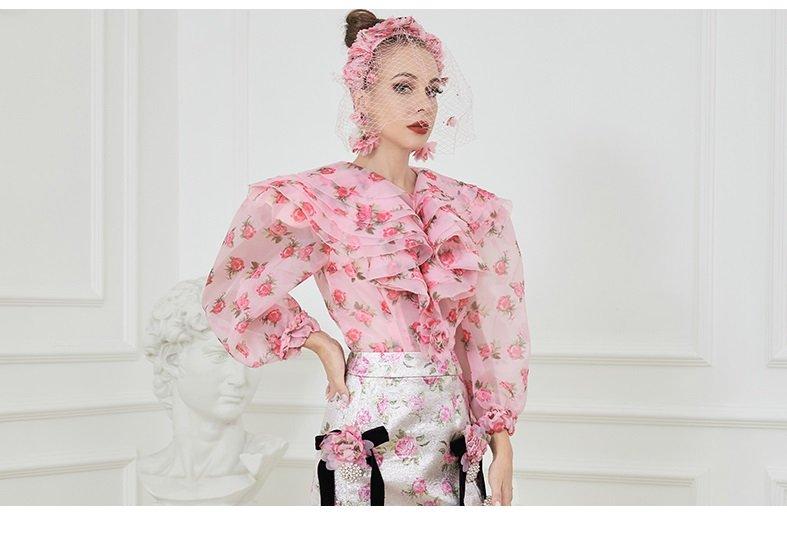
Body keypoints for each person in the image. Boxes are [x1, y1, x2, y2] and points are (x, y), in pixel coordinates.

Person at [201, 9, 531, 506]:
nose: (423, 105)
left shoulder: (468, 208)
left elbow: (486, 333)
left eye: (433, 90)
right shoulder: (320, 199)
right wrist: (320, 344)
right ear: (362, 97)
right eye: (403, 87)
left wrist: (501, 440)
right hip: (368, 424)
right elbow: (233, 289)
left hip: (451, 431)